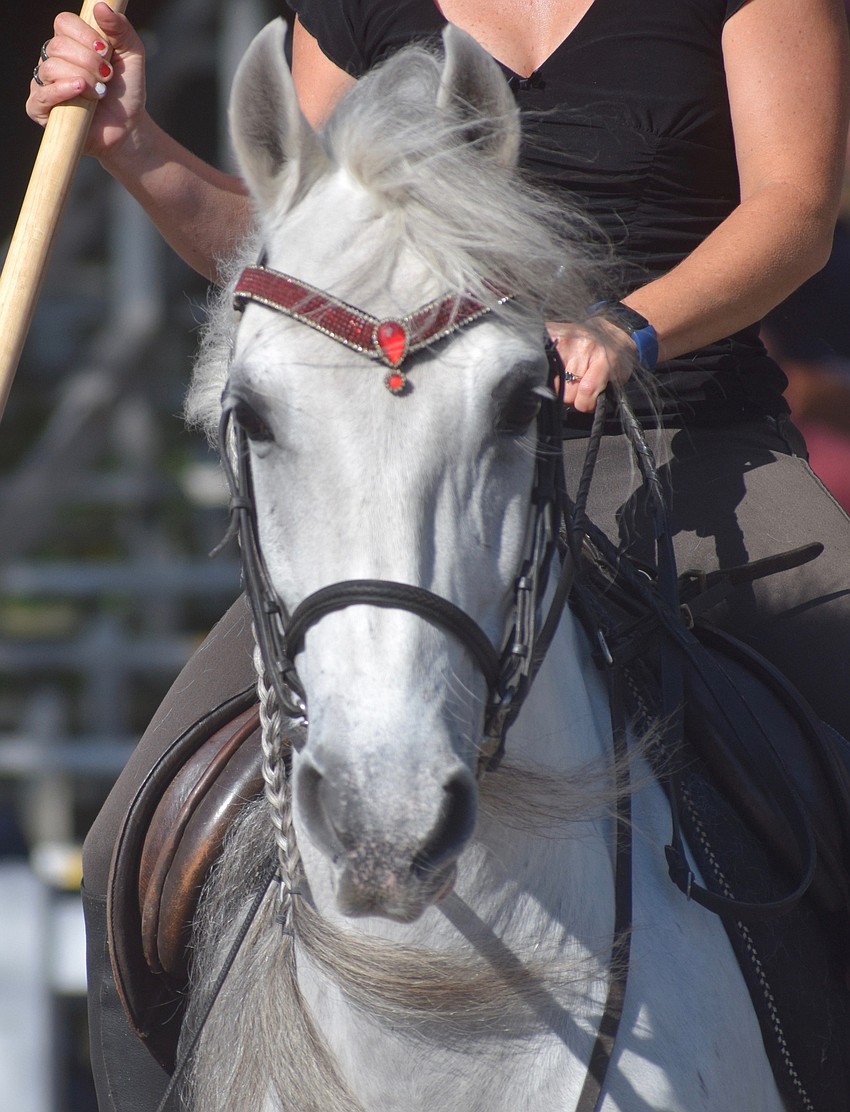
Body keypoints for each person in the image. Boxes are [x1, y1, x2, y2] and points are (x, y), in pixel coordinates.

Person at [25, 1, 850, 1107]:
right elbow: (291, 269)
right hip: (414, 483)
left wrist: (626, 327)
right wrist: (136, 144)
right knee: (132, 837)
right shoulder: (357, 10)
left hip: (693, 451)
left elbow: (798, 209)